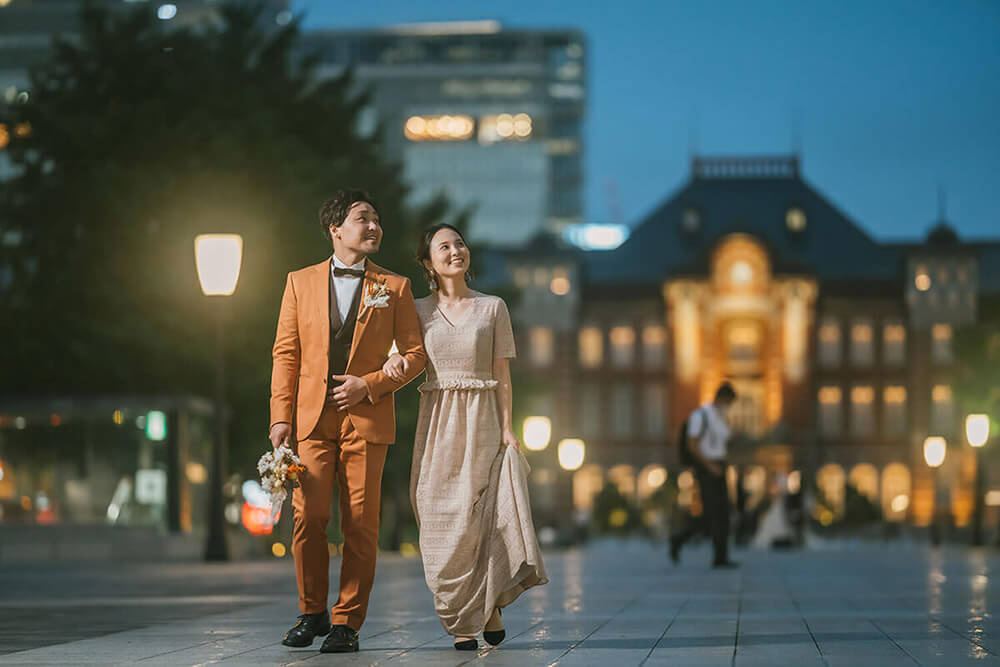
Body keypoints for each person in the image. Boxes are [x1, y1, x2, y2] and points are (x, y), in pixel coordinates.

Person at [268, 189, 426, 653]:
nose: (374, 226)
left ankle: (347, 623)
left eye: (376, 219)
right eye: (363, 218)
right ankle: (312, 611)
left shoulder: (394, 287)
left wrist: (370, 384)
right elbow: (285, 353)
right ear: (336, 229)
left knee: (360, 523)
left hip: (367, 420)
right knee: (309, 518)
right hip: (311, 421)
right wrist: (280, 418)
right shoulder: (299, 281)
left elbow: (415, 355)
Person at [383, 223, 548, 651]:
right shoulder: (415, 310)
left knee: (479, 517)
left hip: (483, 420)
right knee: (436, 514)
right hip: (437, 422)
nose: (456, 250)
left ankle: (484, 610)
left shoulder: (493, 307)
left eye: (459, 243)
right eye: (444, 246)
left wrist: (509, 429)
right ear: (428, 263)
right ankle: (459, 609)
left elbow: (502, 375)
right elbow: (398, 358)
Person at [670, 383, 739, 568]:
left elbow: (723, 443)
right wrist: (710, 466)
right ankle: (679, 539)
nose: (729, 406)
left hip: (720, 465)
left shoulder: (721, 418)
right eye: (729, 402)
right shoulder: (700, 416)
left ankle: (721, 557)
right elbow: (693, 445)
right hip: (705, 467)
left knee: (723, 513)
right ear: (722, 398)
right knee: (710, 514)